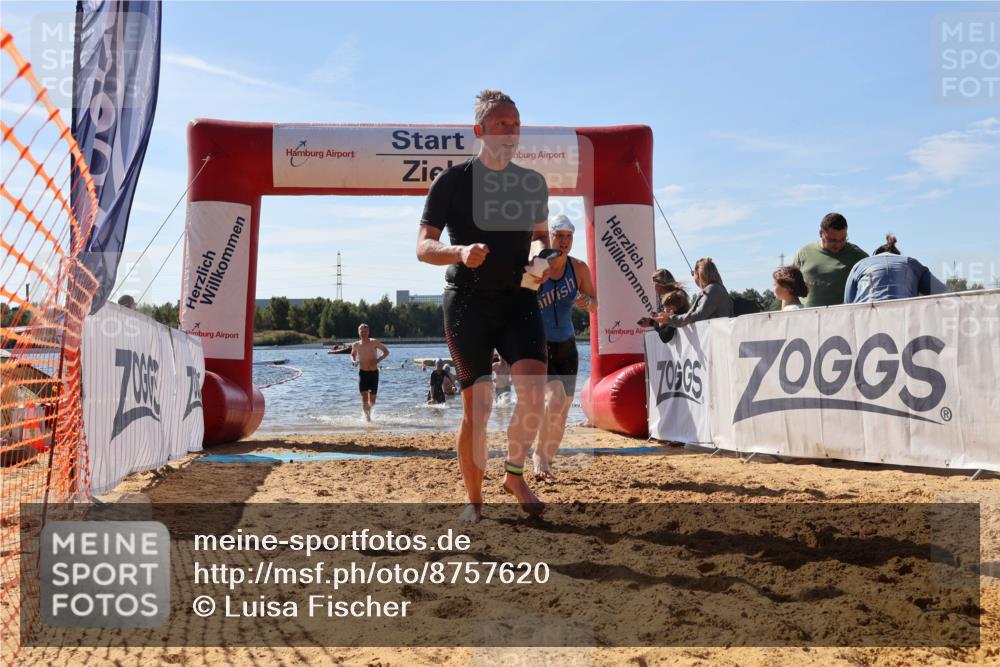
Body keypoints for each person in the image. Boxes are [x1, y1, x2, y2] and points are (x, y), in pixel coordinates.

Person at [416, 89, 551, 522]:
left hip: (518, 299)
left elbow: (542, 238)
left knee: (534, 394)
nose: (511, 132)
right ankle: (473, 501)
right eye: (502, 124)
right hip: (467, 303)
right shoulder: (451, 182)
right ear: (479, 130)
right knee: (478, 409)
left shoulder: (531, 183)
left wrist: (541, 258)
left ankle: (514, 476)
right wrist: (458, 252)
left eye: (516, 124)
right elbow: (423, 247)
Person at [531, 215, 597, 483]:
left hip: (567, 346)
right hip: (540, 344)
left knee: (563, 411)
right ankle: (538, 455)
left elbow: (595, 304)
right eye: (559, 236)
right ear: (549, 237)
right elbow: (518, 302)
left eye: (568, 237)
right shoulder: (538, 266)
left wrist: (587, 302)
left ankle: (546, 461)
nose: (564, 241)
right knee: (556, 399)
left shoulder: (578, 268)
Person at [844, 234, 946, 304]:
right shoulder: (911, 263)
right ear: (897, 254)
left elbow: (848, 304)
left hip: (866, 319)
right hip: (904, 319)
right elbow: (943, 291)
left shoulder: (860, 265)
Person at [793, 212, 868, 307]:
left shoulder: (859, 257)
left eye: (843, 239)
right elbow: (789, 290)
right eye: (832, 240)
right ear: (821, 233)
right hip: (806, 315)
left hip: (844, 314)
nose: (838, 245)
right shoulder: (803, 254)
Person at [655, 257, 732, 328]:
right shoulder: (717, 288)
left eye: (693, 274)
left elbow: (697, 315)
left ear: (698, 274)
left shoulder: (712, 290)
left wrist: (670, 319)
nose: (693, 277)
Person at [350, 323, 389, 421]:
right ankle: (368, 419)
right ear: (359, 332)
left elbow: (386, 352)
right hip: (362, 373)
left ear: (368, 332)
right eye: (362, 331)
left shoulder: (374, 342)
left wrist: (378, 360)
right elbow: (352, 354)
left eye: (365, 331)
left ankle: (368, 414)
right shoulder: (356, 345)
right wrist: (353, 361)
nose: (364, 333)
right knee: (364, 398)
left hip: (373, 373)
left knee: (372, 401)